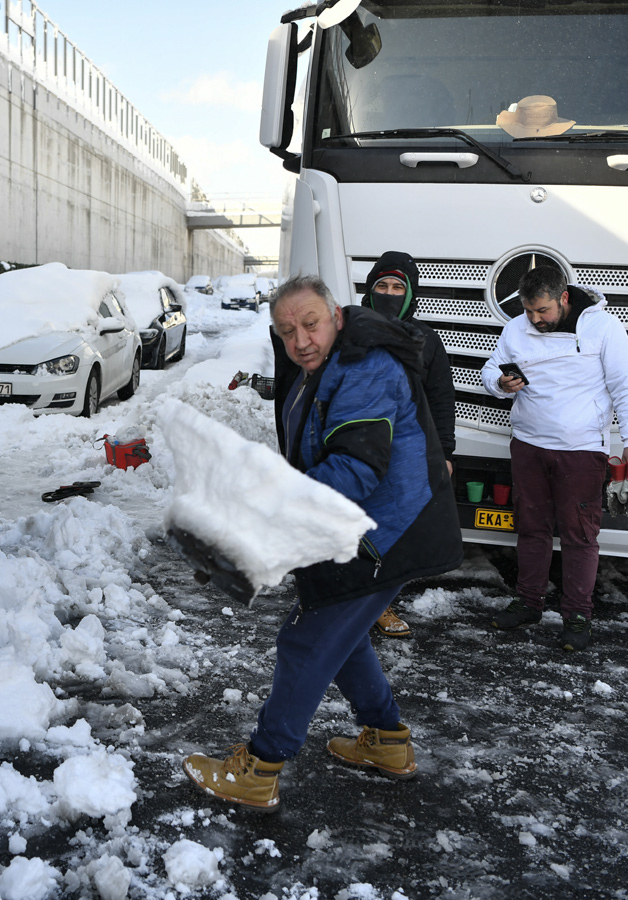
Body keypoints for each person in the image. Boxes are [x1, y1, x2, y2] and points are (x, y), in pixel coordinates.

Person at [185, 275, 462, 812]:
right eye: (287, 332)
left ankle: (260, 769)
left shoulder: (363, 367)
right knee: (344, 636)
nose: (301, 341)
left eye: (310, 324)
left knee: (306, 642)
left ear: (336, 315)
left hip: (382, 535)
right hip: (359, 529)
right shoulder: (327, 364)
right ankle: (386, 741)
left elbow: (354, 470)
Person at [482, 267, 628, 651]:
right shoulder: (516, 328)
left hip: (581, 449)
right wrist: (500, 384)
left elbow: (627, 385)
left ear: (564, 298)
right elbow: (492, 368)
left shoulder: (603, 327)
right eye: (528, 311)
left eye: (542, 311)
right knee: (531, 528)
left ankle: (577, 616)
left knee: (579, 536)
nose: (535, 319)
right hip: (528, 444)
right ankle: (528, 601)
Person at [362, 251, 457, 639]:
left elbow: (440, 397)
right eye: (381, 286)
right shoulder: (349, 330)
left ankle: (379, 604)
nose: (388, 293)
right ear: (369, 291)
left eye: (397, 287)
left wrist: (445, 453)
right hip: (356, 448)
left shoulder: (426, 340)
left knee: (394, 531)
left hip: (404, 452)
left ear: (410, 294)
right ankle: (345, 597)